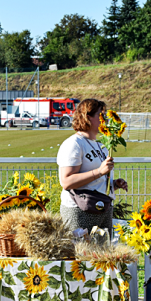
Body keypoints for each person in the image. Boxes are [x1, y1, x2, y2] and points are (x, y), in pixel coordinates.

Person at [57, 98, 128, 234]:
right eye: (100, 115)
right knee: (81, 253)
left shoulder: (100, 145)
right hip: (79, 211)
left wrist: (114, 184)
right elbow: (66, 182)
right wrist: (99, 172)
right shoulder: (74, 143)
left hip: (102, 208)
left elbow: (95, 180)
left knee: (103, 253)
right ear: (87, 117)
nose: (105, 119)